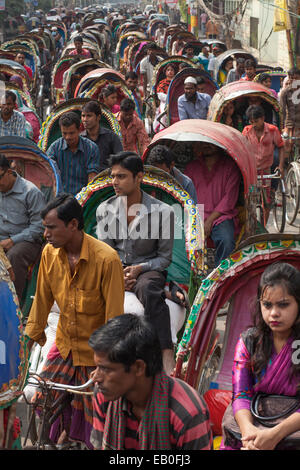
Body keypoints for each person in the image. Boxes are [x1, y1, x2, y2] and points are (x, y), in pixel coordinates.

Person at [24, 193, 124, 449]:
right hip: (65, 343)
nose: (45, 233)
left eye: (51, 227)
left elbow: (114, 317)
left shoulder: (106, 259)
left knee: (99, 413)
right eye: (44, 227)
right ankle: (57, 436)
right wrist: (27, 344)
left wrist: (106, 363)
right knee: (41, 398)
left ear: (73, 225)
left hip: (96, 352)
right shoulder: (49, 253)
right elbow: (42, 302)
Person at [96, 151, 176, 374]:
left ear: (139, 177)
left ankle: (165, 350)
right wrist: (119, 275)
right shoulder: (105, 210)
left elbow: (164, 258)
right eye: (113, 176)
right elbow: (106, 252)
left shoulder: (163, 212)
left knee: (149, 289)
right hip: (115, 268)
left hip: (149, 269)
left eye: (121, 176)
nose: (114, 182)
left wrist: (140, 269)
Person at [89, 314, 213, 450]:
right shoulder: (104, 396)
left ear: (138, 367)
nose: (95, 377)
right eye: (97, 367)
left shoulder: (187, 414)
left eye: (105, 369)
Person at [222, 262, 300, 450]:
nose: (274, 313)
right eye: (267, 305)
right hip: (254, 425)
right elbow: (241, 394)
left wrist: (275, 435)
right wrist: (248, 432)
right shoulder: (249, 342)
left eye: (283, 305)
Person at [185, 142, 241, 267]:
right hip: (196, 214)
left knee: (226, 241)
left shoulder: (230, 167)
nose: (207, 145)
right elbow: (185, 196)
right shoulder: (192, 167)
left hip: (221, 216)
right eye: (204, 143)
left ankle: (220, 279)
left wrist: (209, 221)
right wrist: (196, 220)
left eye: (211, 143)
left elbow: (229, 198)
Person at [0, 154, 45, 302]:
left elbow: (39, 227)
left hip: (26, 241)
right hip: (2, 239)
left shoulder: (30, 192)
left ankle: (14, 306)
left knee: (14, 256)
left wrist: (12, 241)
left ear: (9, 172)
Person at [242, 105, 284, 221]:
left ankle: (264, 227)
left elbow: (281, 147)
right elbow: (242, 149)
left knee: (266, 201)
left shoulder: (272, 130)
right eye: (252, 121)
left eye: (256, 121)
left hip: (266, 169)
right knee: (250, 200)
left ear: (263, 118)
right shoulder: (246, 131)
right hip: (251, 170)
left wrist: (280, 166)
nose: (254, 124)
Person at [47, 111, 101, 195]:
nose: (68, 137)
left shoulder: (91, 148)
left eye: (71, 133)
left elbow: (92, 179)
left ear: (79, 130)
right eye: (64, 133)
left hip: (84, 198)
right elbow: (50, 176)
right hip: (61, 199)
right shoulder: (54, 148)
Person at [81, 100, 123, 171]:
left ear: (98, 117)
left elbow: (120, 160)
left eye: (89, 116)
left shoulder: (111, 137)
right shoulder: (80, 139)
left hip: (107, 177)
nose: (85, 119)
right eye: (83, 116)